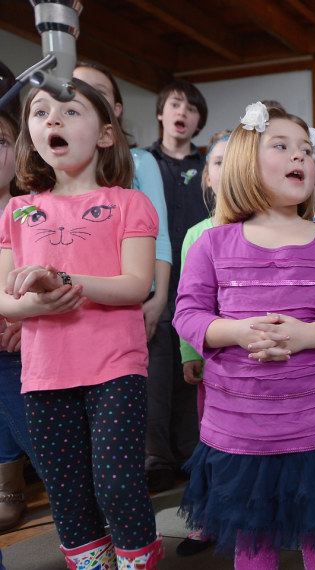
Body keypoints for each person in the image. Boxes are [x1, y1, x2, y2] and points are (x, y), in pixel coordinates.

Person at [173, 103, 315, 570]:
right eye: (281, 146)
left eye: (306, 149)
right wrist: (238, 332)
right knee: (254, 546)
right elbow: (188, 314)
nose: (299, 157)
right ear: (246, 162)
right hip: (242, 428)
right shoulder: (211, 243)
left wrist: (308, 336)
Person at [0, 78, 163, 568]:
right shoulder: (17, 210)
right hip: (44, 373)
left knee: (116, 485)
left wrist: (63, 280)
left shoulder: (128, 203)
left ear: (106, 135)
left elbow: (136, 285)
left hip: (115, 368)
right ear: (30, 135)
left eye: (70, 111)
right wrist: (36, 305)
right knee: (66, 495)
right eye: (41, 112)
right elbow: (5, 297)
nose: (52, 119)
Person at [73, 62, 172, 349]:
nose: (86, 94)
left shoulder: (140, 161)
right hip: (73, 299)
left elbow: (160, 234)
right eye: (77, 87)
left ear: (116, 109)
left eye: (98, 90)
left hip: (138, 299)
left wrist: (160, 298)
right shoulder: (52, 168)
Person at [145, 79, 209, 492]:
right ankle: (154, 457)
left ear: (199, 119)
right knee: (153, 368)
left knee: (193, 366)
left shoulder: (208, 165)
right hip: (151, 277)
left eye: (190, 107)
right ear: (161, 113)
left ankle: (190, 452)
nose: (182, 113)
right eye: (174, 104)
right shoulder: (141, 162)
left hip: (199, 277)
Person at [173, 128, 231, 558]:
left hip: (257, 370)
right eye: (217, 162)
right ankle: (208, 518)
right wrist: (190, 353)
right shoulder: (197, 235)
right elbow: (189, 302)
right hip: (213, 364)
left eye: (236, 160)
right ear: (206, 177)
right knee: (211, 443)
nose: (226, 169)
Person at [0, 101, 40, 533]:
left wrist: (23, 318)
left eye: (1, 141)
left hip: (23, 353)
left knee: (54, 458)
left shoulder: (33, 210)